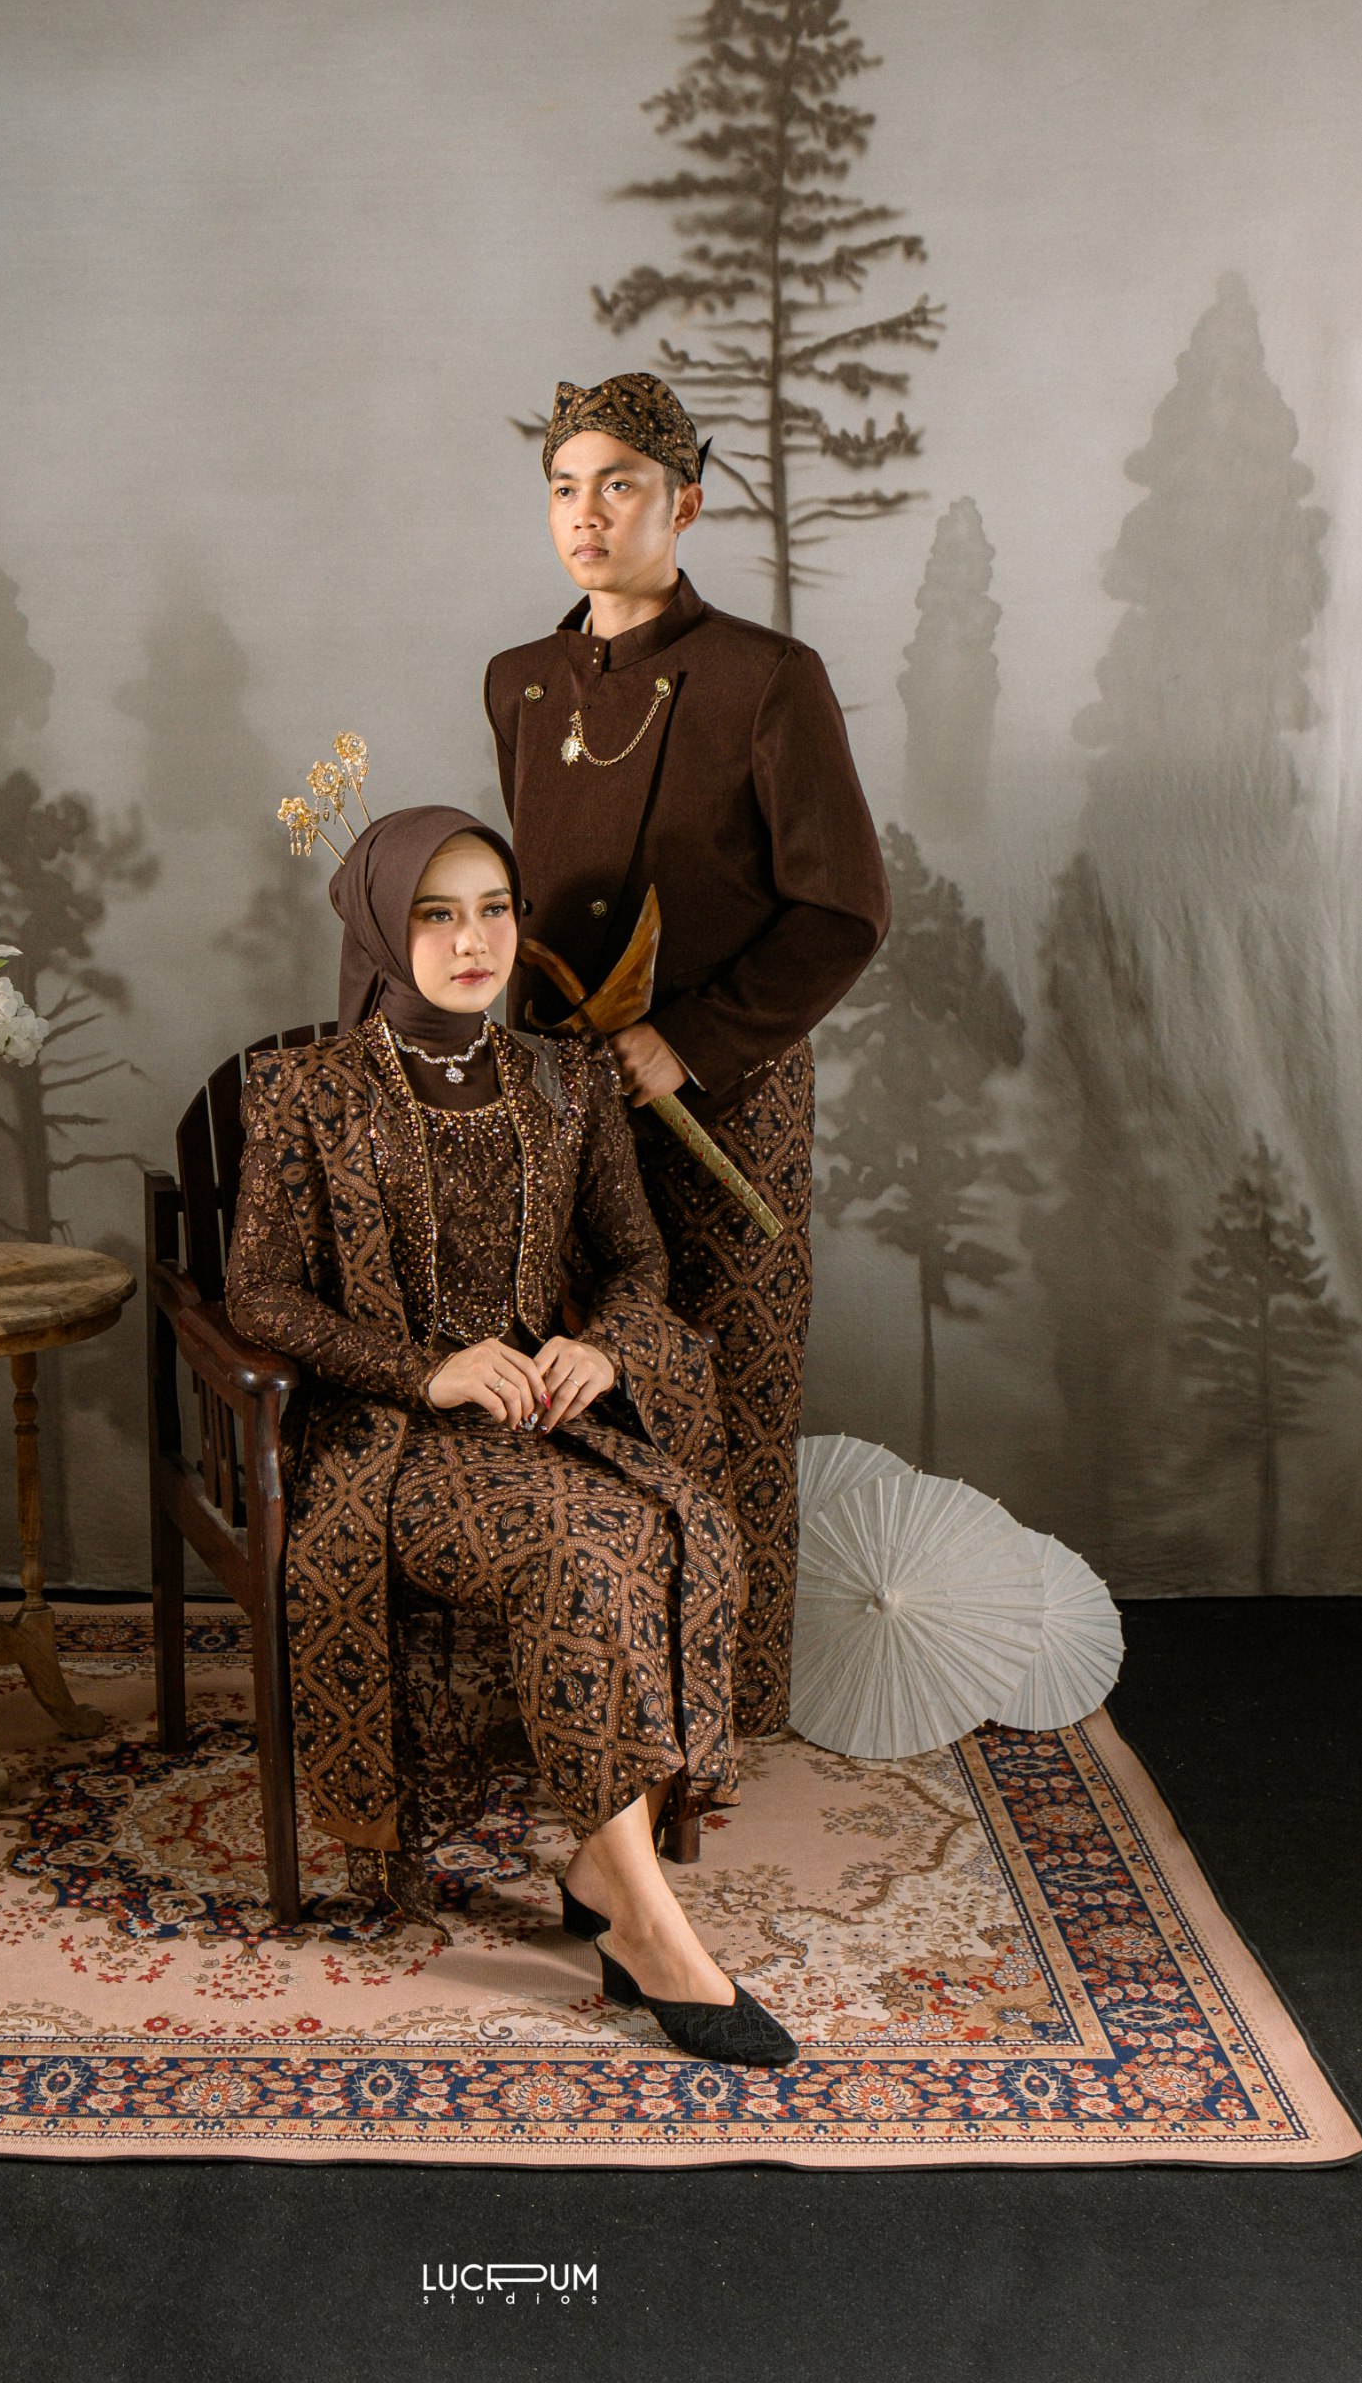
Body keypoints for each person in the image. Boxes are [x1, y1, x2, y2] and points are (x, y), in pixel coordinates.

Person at [225, 803, 796, 2066]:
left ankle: (599, 1875)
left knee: (681, 1523)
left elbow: (636, 1259)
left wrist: (605, 1347)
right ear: (383, 926)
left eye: (493, 910)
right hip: (388, 1441)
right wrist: (424, 1371)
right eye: (436, 914)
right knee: (583, 1553)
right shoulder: (309, 1092)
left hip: (545, 1417)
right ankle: (647, 1930)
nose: (473, 940)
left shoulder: (564, 1079)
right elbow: (258, 1295)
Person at [486, 374, 891, 1734]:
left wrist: (691, 1042)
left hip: (725, 1094)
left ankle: (729, 1701)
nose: (587, 514)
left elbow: (843, 909)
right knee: (572, 1371)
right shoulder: (519, 681)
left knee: (726, 1381)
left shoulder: (767, 679)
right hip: (561, 1095)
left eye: (619, 486)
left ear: (686, 504)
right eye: (564, 487)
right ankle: (595, 1690)